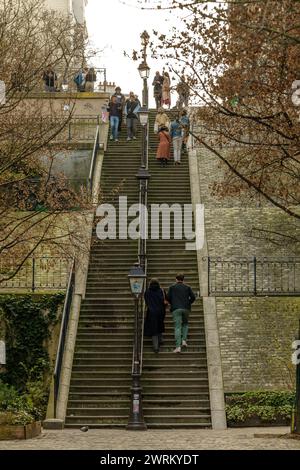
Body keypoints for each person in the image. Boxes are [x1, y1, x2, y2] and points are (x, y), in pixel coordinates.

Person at [167, 274, 196, 353]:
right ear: (183, 279)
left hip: (176, 309)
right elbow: (193, 297)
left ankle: (178, 347)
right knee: (185, 324)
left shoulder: (172, 287)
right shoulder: (187, 287)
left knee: (177, 327)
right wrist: (188, 303)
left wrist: (172, 303)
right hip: (186, 308)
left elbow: (168, 298)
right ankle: (184, 340)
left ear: (176, 279)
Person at [144, 279, 167, 353]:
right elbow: (165, 300)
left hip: (151, 312)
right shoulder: (161, 290)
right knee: (160, 325)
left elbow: (147, 301)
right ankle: (160, 340)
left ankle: (156, 347)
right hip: (161, 311)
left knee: (154, 328)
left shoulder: (147, 292)